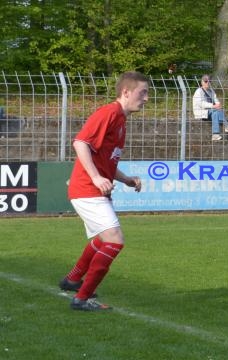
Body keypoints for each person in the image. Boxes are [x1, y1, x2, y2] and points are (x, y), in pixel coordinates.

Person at [59, 71, 149, 311]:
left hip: (93, 190)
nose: (146, 98)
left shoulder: (120, 119)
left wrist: (127, 179)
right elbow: (80, 143)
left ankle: (72, 280)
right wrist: (96, 177)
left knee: (102, 238)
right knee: (114, 240)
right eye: (143, 92)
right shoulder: (108, 113)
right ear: (126, 92)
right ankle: (82, 299)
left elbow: (106, 160)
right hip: (87, 189)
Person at [192, 74, 228, 141]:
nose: (207, 83)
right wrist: (213, 106)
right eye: (206, 81)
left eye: (209, 81)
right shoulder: (198, 91)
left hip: (212, 112)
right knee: (216, 111)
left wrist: (218, 105)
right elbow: (201, 103)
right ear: (202, 82)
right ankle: (227, 125)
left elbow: (216, 100)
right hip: (202, 112)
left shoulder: (211, 91)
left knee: (216, 112)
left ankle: (215, 134)